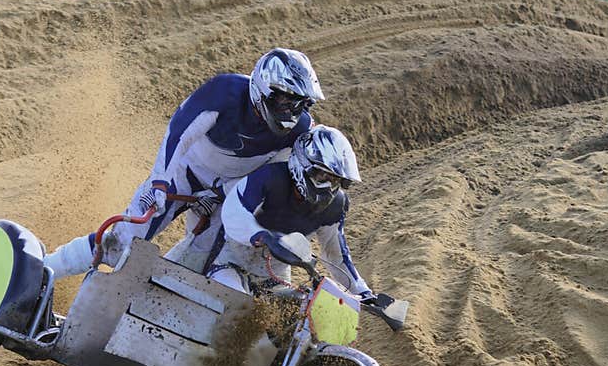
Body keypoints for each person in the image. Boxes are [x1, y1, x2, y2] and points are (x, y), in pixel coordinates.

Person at [43, 48, 326, 277]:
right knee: (121, 242)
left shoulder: (300, 131)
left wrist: (222, 194)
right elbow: (178, 134)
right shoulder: (225, 92)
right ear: (265, 90)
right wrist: (159, 182)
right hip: (180, 175)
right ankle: (45, 269)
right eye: (287, 101)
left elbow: (270, 176)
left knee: (201, 267)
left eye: (301, 103)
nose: (293, 111)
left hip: (223, 196)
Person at [207, 125, 408, 331]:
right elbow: (235, 211)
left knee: (292, 324)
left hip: (274, 275)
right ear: (303, 163)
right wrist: (264, 236)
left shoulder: (335, 206)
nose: (328, 186)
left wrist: (365, 293)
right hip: (230, 262)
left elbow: (336, 256)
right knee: (237, 313)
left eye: (335, 180)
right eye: (323, 176)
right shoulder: (270, 178)